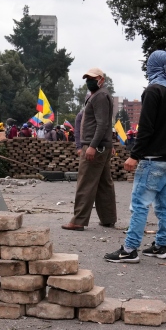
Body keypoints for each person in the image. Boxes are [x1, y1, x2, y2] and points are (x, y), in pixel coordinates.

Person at [104, 50, 166, 263]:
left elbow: (146, 127)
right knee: (163, 205)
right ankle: (161, 246)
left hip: (151, 160)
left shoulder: (153, 90)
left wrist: (134, 155)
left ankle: (129, 249)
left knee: (139, 204)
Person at [61, 67, 116, 231]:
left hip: (95, 147)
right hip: (101, 146)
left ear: (101, 79)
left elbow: (102, 124)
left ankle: (78, 220)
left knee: (85, 183)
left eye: (92, 78)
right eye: (87, 78)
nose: (89, 81)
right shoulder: (99, 95)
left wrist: (92, 146)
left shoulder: (100, 96)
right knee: (104, 184)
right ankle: (108, 218)